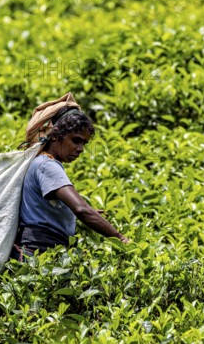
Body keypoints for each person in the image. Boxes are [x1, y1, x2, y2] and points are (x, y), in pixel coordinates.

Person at [12, 94, 128, 260]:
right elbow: (81, 209)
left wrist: (72, 212)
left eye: (84, 144)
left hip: (38, 249)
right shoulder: (47, 165)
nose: (80, 149)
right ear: (55, 135)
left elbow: (45, 208)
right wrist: (121, 238)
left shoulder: (42, 162)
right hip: (39, 250)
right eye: (76, 140)